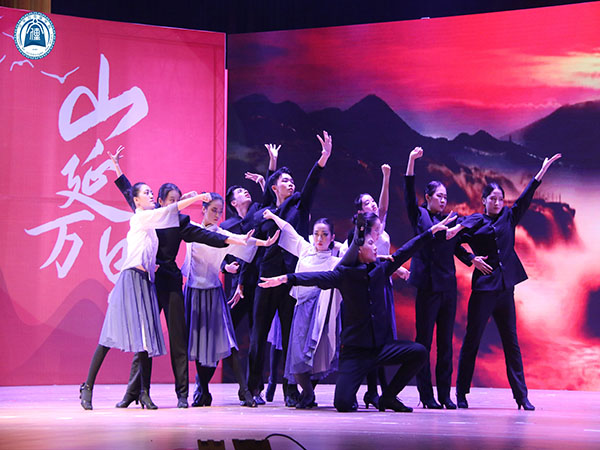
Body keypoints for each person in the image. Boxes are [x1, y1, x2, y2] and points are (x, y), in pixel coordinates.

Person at [259, 213, 457, 412]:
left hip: (381, 349)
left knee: (419, 352)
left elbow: (406, 251)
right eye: (371, 243)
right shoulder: (344, 275)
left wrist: (431, 232)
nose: (375, 247)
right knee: (343, 404)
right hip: (355, 353)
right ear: (359, 249)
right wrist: (287, 278)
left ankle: (388, 397)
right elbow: (315, 277)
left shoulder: (381, 269)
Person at [108, 147, 240, 409]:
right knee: (145, 340)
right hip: (149, 283)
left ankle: (182, 395)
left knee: (178, 340)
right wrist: (117, 169)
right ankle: (134, 392)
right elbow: (129, 194)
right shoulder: (151, 216)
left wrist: (233, 240)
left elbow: (206, 236)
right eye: (171, 200)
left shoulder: (180, 221)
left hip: (171, 282)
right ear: (160, 200)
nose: (175, 204)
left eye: (178, 200)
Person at [79, 181, 211, 410]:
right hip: (130, 279)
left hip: (145, 281)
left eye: (151, 192)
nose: (150, 195)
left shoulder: (152, 223)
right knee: (108, 337)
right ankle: (88, 386)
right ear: (136, 201)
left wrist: (153, 266)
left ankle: (144, 393)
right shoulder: (140, 218)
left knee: (145, 339)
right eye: (146, 193)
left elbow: (166, 219)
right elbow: (168, 209)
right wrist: (198, 198)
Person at [449, 153, 562, 410]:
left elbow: (526, 198)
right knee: (472, 340)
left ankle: (522, 397)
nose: (498, 202)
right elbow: (454, 241)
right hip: (483, 290)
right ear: (484, 200)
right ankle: (461, 393)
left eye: (500, 199)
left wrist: (541, 172)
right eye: (493, 199)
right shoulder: (475, 221)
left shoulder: (509, 216)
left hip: (505, 290)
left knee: (511, 343)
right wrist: (471, 259)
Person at [245, 132, 333, 406]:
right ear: (274, 187)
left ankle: (290, 390)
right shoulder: (262, 211)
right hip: (266, 276)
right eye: (285, 180)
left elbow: (311, 184)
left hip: (291, 279)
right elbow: (252, 232)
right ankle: (252, 389)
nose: (291, 183)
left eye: (292, 180)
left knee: (290, 336)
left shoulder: (298, 205)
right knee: (258, 335)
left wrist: (323, 159)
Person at [182, 193, 280, 407]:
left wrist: (264, 242)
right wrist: (188, 198)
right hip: (194, 293)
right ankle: (203, 390)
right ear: (203, 209)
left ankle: (244, 391)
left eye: (219, 211)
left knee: (227, 341)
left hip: (213, 293)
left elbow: (242, 241)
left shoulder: (222, 234)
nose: (217, 214)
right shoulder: (192, 230)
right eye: (213, 210)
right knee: (199, 343)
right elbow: (173, 217)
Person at [404, 147, 474, 409]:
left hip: (447, 287)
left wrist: (472, 258)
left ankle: (445, 394)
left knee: (446, 343)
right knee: (424, 342)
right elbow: (408, 193)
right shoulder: (420, 215)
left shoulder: (450, 219)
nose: (443, 201)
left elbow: (457, 247)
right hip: (427, 287)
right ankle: (426, 395)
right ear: (428, 197)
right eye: (439, 196)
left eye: (445, 197)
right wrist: (411, 161)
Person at [262, 209, 342, 408]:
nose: (320, 238)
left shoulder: (335, 262)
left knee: (316, 356)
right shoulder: (306, 250)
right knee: (297, 357)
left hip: (321, 312)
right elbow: (289, 231)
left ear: (332, 237)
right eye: (316, 234)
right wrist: (273, 216)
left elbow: (359, 257)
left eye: (324, 234)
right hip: (302, 309)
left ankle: (308, 394)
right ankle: (308, 393)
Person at [347, 164, 410, 409]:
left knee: (383, 338)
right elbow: (364, 260)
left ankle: (378, 391)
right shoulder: (359, 234)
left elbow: (383, 208)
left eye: (372, 201)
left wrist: (386, 177)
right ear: (360, 211)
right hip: (369, 287)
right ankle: (374, 390)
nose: (373, 204)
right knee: (373, 338)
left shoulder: (379, 227)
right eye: (367, 203)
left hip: (384, 286)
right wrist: (394, 266)